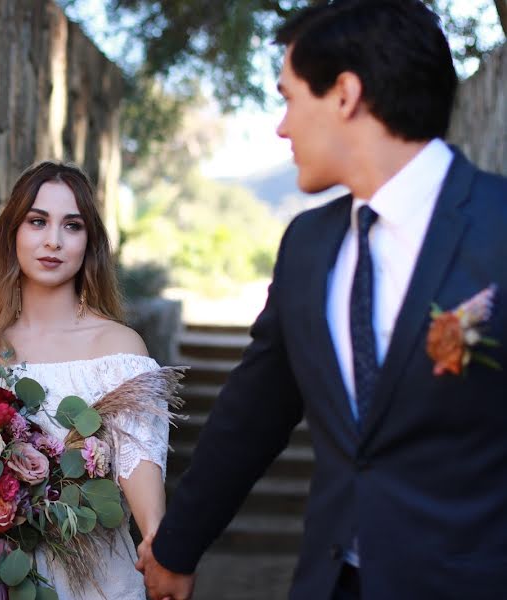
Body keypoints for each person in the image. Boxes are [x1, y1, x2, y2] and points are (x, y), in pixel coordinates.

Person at [136, 1, 507, 599]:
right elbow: (254, 409)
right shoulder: (308, 245)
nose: (281, 127)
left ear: (345, 94)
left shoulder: (500, 226)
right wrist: (177, 547)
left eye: (287, 98)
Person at [0, 160, 176, 599]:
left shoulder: (119, 351)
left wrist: (158, 543)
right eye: (37, 221)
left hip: (97, 583)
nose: (53, 241)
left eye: (72, 226)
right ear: (12, 234)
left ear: (89, 242)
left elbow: (139, 464)